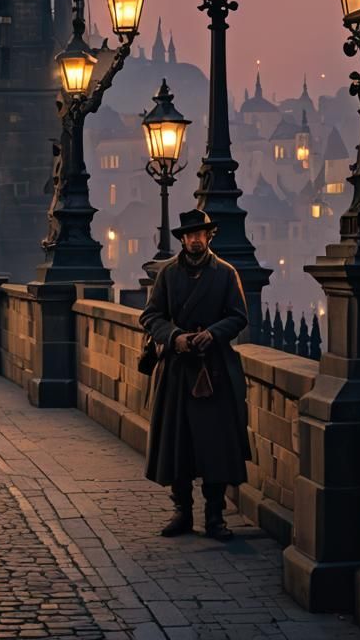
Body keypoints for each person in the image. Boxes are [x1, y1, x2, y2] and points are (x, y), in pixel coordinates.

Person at [139, 209, 250, 542]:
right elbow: (151, 315)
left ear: (208, 237)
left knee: (215, 446)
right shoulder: (168, 275)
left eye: (201, 234)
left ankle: (214, 517)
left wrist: (213, 333)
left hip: (213, 370)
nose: (196, 239)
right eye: (190, 235)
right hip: (177, 369)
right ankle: (182, 512)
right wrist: (175, 337)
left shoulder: (226, 274)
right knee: (178, 445)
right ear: (183, 239)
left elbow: (239, 316)